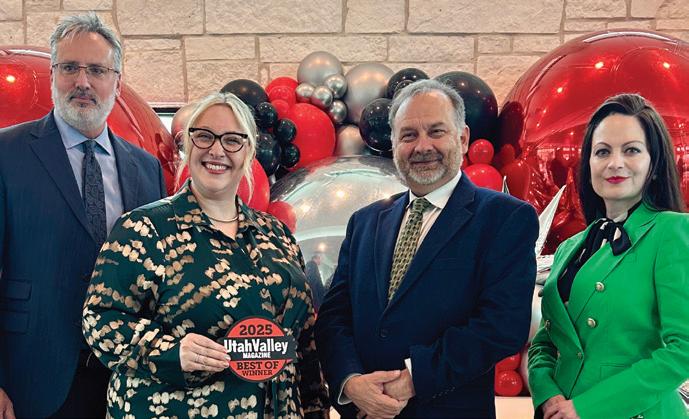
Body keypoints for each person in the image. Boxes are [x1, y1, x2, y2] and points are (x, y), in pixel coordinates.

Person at [82, 92, 330, 418]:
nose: (217, 150)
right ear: (188, 145)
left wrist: (315, 409)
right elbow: (100, 320)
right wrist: (170, 352)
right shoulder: (144, 228)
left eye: (232, 140)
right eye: (204, 136)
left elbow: (305, 342)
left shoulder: (276, 234)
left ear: (248, 152)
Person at [315, 79, 539, 418]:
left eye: (436, 132)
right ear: (394, 144)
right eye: (408, 135)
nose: (422, 146)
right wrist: (350, 383)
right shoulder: (364, 222)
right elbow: (335, 317)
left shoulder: (505, 218)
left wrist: (413, 379)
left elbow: (502, 325)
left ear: (462, 138)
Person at [0, 13, 166, 418]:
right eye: (70, 68)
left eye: (96, 70)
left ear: (117, 83)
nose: (83, 82)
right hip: (31, 377)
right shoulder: (6, 154)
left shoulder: (147, 169)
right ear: (53, 75)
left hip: (127, 380)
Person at [528, 93, 689, 419]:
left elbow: (683, 349)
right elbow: (545, 342)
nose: (615, 162)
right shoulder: (569, 248)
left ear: (654, 164)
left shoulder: (672, 231)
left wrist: (586, 408)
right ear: (588, 164)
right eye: (602, 151)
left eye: (631, 150)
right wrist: (547, 394)